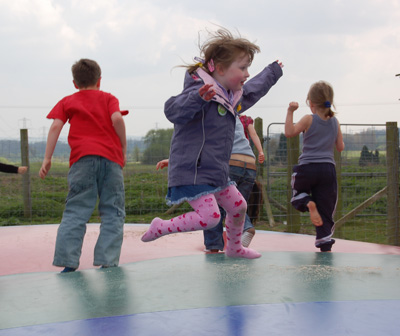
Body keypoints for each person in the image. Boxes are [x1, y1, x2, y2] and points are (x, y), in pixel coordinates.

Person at [141, 28, 283, 259]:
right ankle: (161, 226)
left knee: (239, 206)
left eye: (249, 67)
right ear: (219, 68)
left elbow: (252, 90)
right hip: (193, 172)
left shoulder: (229, 98)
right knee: (211, 217)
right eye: (243, 67)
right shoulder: (199, 91)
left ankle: (235, 248)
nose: (247, 73)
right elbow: (172, 110)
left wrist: (272, 72)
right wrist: (197, 98)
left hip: (216, 172)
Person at [39, 58, 128, 272]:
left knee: (76, 211)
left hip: (82, 161)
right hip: (111, 160)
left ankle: (68, 262)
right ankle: (107, 260)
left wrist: (47, 158)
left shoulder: (67, 101)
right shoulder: (108, 98)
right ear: (99, 80)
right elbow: (117, 119)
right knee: (113, 210)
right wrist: (123, 148)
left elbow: (55, 127)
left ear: (74, 83)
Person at [284, 80, 344, 252]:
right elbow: (340, 147)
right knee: (326, 210)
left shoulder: (308, 119)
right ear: (329, 101)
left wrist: (290, 112)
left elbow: (289, 133)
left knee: (297, 194)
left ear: (311, 103)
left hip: (308, 168)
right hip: (328, 170)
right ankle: (325, 245)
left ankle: (308, 203)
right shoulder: (335, 122)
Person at [203, 114, 268, 252]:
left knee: (214, 205)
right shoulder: (239, 117)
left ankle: (214, 246)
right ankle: (239, 240)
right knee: (236, 206)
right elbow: (254, 134)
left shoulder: (215, 113)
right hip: (250, 163)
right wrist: (261, 151)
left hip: (232, 162)